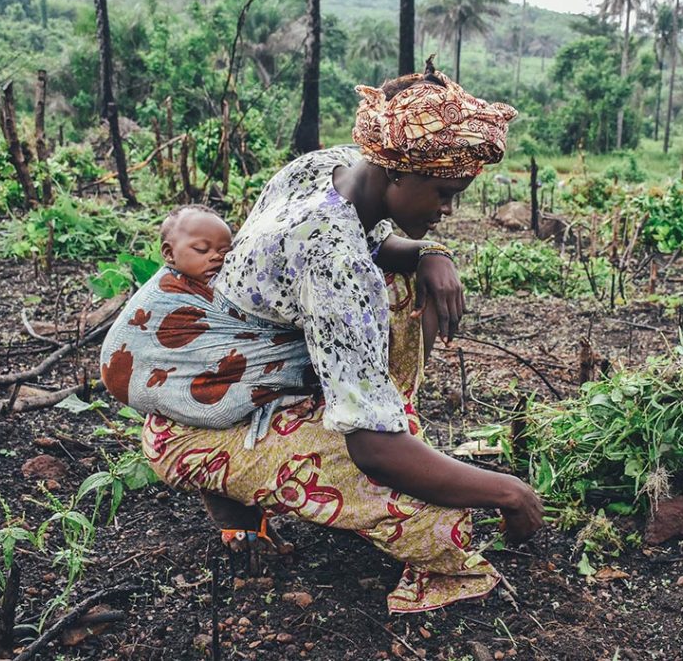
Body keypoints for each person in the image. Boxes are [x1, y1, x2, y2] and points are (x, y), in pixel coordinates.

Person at [107, 59, 544, 614]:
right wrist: (507, 492)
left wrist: (430, 252)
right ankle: (235, 477)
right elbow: (374, 450)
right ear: (395, 174)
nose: (448, 208)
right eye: (442, 192)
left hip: (224, 375)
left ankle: (326, 438)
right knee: (443, 523)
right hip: (194, 425)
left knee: (404, 284)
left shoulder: (329, 168)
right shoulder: (333, 262)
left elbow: (377, 242)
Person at [101, 204, 319, 449]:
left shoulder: (228, 286)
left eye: (225, 251)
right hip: (174, 381)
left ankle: (273, 392)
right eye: (202, 250)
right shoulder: (165, 295)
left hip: (209, 373)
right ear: (169, 253)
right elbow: (140, 342)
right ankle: (273, 394)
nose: (216, 257)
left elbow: (242, 334)